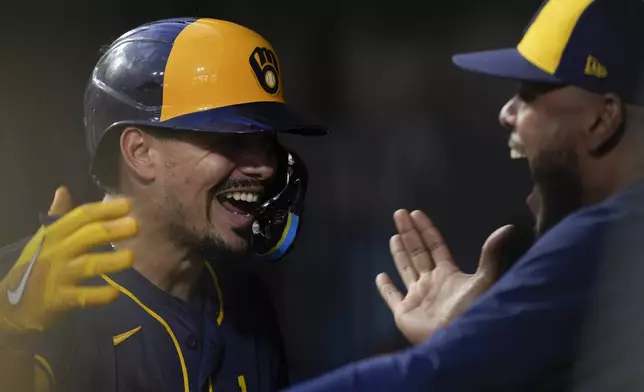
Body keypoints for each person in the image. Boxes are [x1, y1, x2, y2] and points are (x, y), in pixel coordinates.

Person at [273, 0, 644, 390]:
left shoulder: (610, 239)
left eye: (531, 92)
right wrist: (470, 340)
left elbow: (424, 378)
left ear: (603, 118)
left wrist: (459, 349)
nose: (507, 112)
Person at [0, 17, 330, 392]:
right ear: (140, 152)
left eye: (266, 141)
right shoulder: (23, 290)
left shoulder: (247, 303)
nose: (268, 166)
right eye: (233, 139)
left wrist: (414, 358)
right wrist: (9, 338)